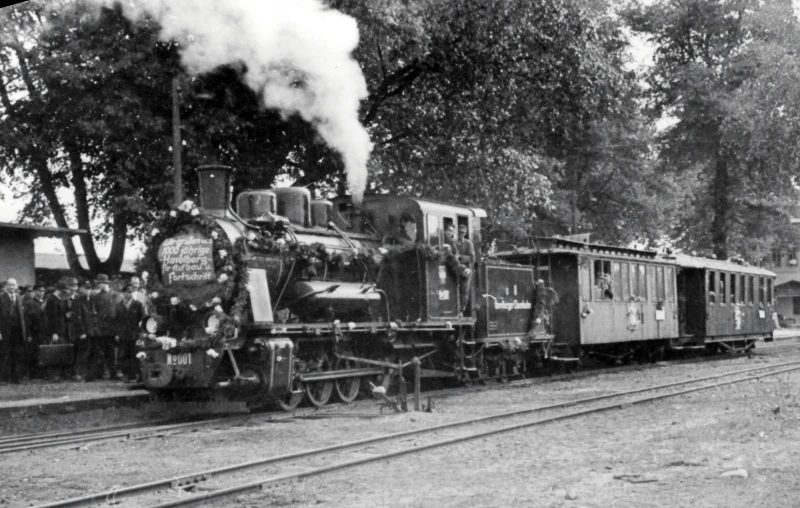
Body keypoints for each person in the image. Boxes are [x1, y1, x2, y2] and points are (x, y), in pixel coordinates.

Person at [87, 274, 118, 381]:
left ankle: (113, 373)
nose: (99, 285)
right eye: (98, 283)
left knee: (111, 352)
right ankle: (99, 373)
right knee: (99, 352)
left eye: (101, 283)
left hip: (112, 328)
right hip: (100, 329)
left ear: (106, 283)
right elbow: (93, 313)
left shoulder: (115, 295)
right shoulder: (95, 297)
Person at [0, 278, 29, 383]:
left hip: (17, 330)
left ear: (16, 286)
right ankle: (4, 378)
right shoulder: (1, 298)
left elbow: (22, 316)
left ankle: (15, 377)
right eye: (10, 285)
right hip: (5, 330)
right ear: (6, 286)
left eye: (13, 285)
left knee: (17, 353)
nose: (11, 287)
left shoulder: (19, 298)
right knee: (5, 353)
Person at [115, 284, 145, 382]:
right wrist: (117, 334)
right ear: (123, 293)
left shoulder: (138, 304)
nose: (129, 294)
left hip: (134, 334)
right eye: (127, 292)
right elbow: (116, 321)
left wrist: (141, 333)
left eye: (131, 292)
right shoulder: (119, 306)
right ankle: (128, 376)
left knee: (135, 355)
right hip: (123, 335)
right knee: (124, 355)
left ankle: (137, 375)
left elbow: (142, 319)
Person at [70, 280, 92, 380]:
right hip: (81, 332)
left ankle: (85, 372)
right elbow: (77, 317)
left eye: (89, 289)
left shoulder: (91, 300)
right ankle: (77, 373)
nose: (88, 291)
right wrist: (81, 332)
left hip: (90, 331)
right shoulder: (77, 301)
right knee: (80, 352)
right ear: (81, 289)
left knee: (87, 352)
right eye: (86, 288)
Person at [23, 284, 46, 379]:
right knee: (33, 352)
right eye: (39, 291)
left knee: (42, 351)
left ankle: (42, 373)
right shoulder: (30, 303)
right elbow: (27, 319)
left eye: (43, 291)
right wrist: (28, 334)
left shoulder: (45, 302)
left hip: (43, 331)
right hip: (34, 331)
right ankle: (32, 373)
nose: (41, 293)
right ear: (35, 291)